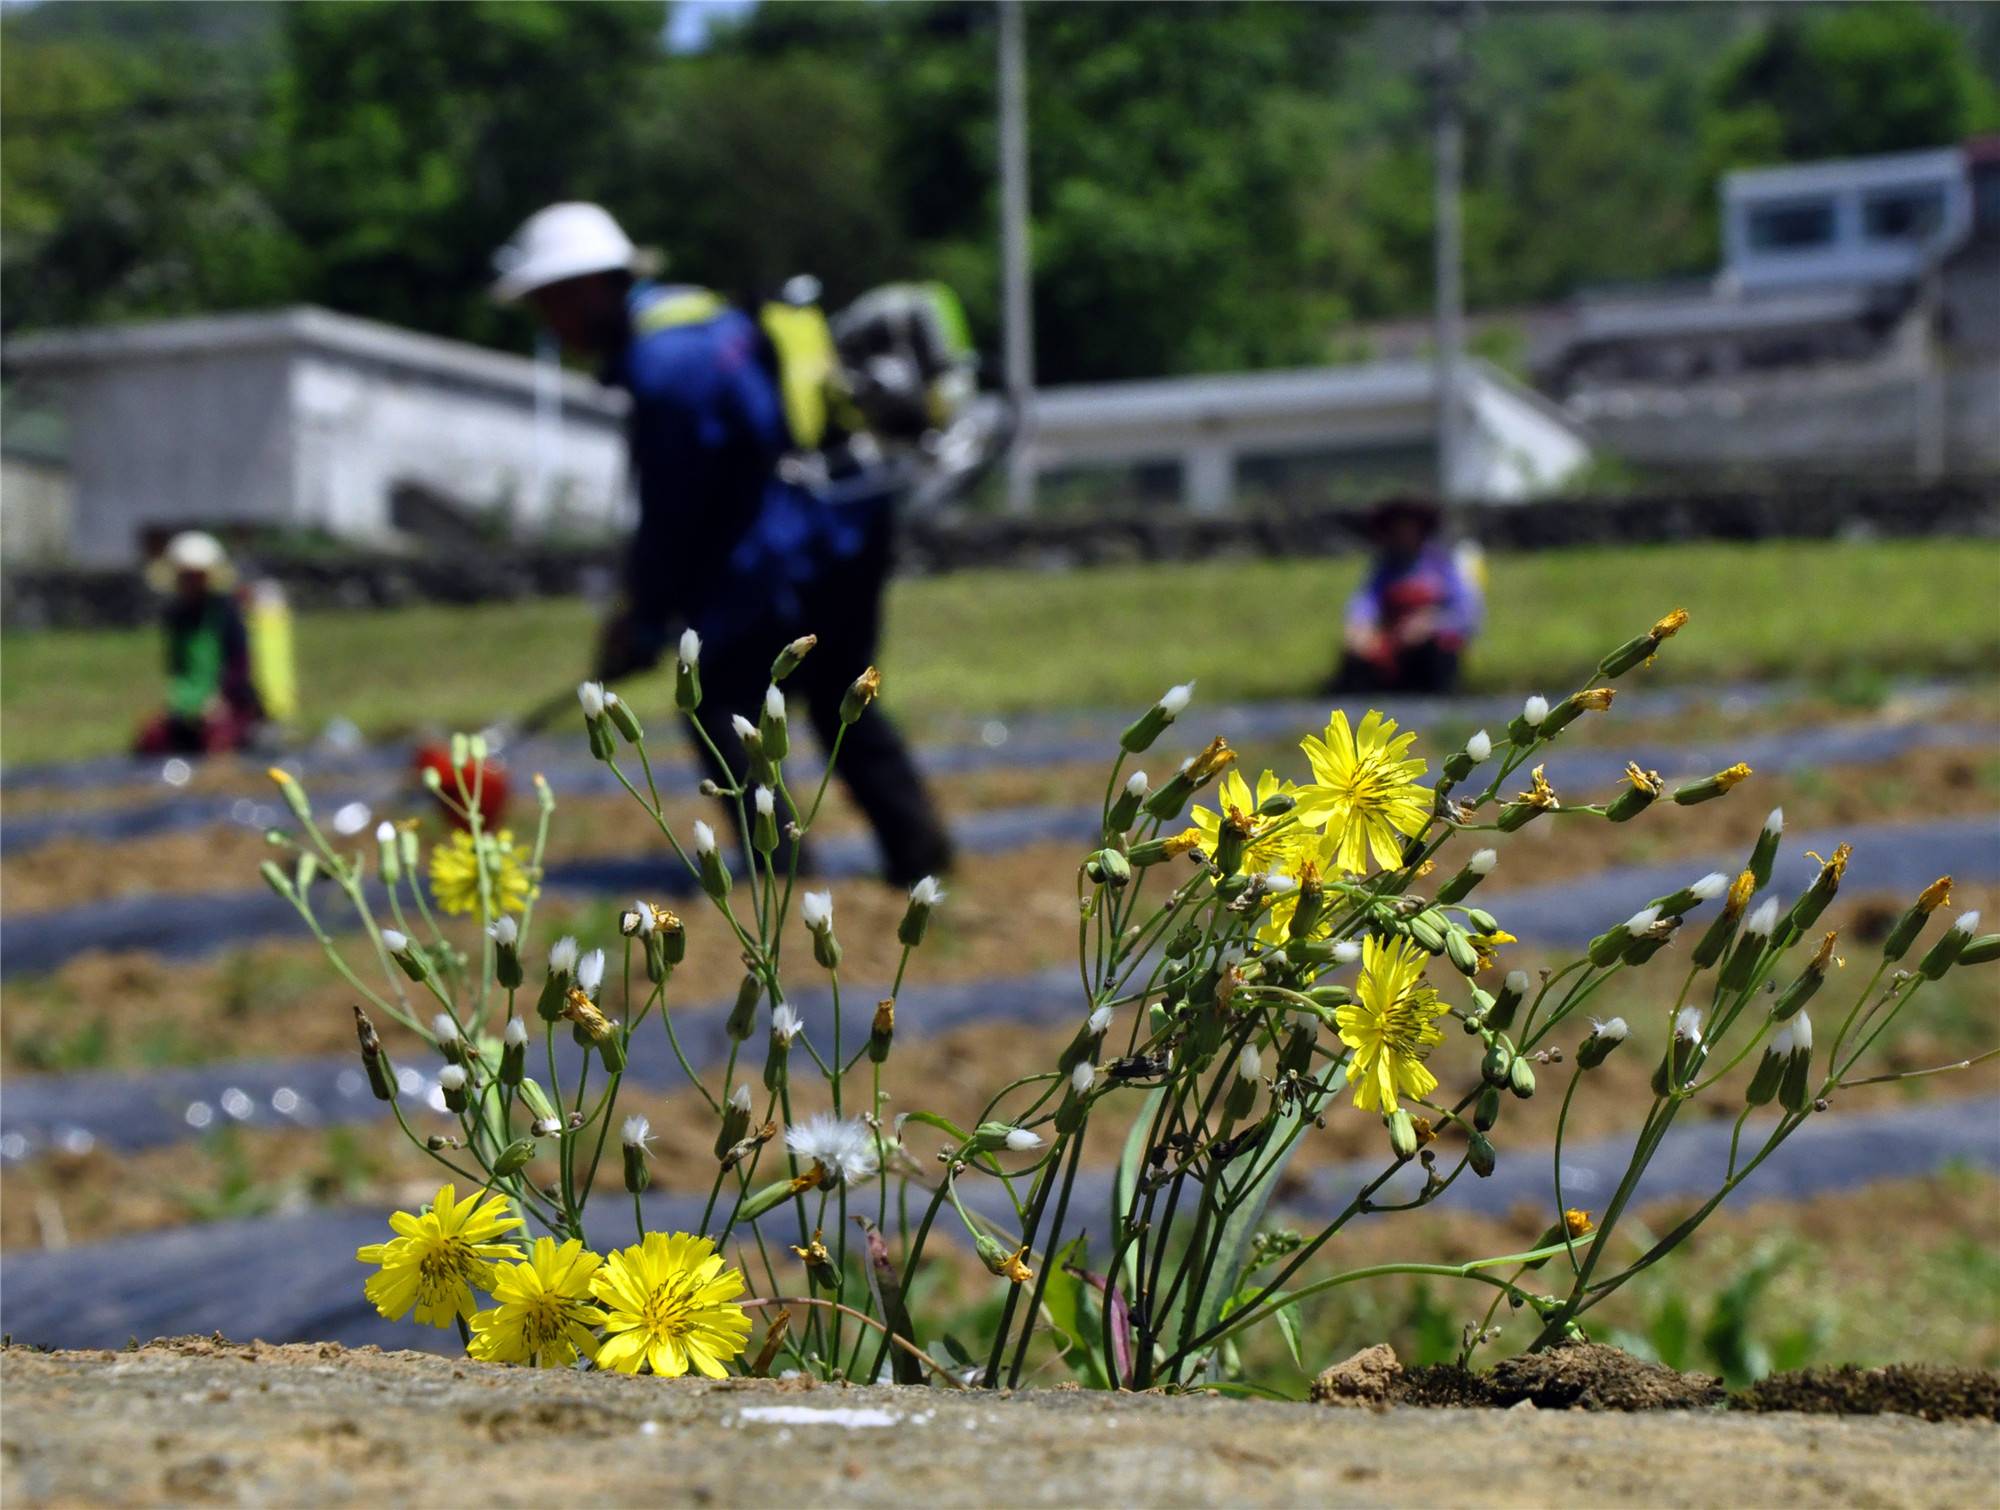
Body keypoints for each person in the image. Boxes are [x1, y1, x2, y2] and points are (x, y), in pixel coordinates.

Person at [491, 202, 953, 884]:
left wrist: (646, 620)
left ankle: (786, 876)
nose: (552, 328)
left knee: (719, 705)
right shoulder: (693, 321)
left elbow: (681, 513)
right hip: (845, 526)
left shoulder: (669, 365)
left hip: (802, 543)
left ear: (588, 288)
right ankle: (919, 858)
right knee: (841, 698)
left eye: (550, 307)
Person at [1326, 496, 1482, 695]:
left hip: (1432, 653)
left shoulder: (1442, 564)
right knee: (1357, 658)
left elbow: (1468, 614)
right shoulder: (1385, 568)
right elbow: (1365, 602)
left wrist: (1430, 623)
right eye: (1397, 529)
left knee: (1438, 652)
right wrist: (1359, 628)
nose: (1403, 535)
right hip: (1397, 648)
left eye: (1408, 528)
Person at [133, 531, 267, 755]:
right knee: (152, 738)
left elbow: (239, 666)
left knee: (217, 740)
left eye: (197, 576)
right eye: (187, 576)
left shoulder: (226, 613)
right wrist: (177, 704)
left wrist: (220, 699)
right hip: (188, 705)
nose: (192, 582)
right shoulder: (175, 617)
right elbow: (177, 669)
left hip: (228, 703)